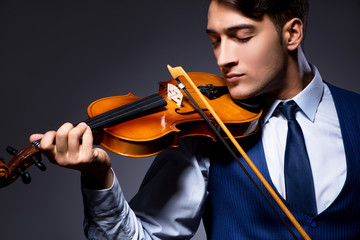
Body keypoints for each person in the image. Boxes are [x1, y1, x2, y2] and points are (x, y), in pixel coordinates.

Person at [30, 0, 360, 239]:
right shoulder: (206, 129)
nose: (223, 58)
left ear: (292, 34)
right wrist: (98, 175)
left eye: (242, 37)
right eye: (215, 41)